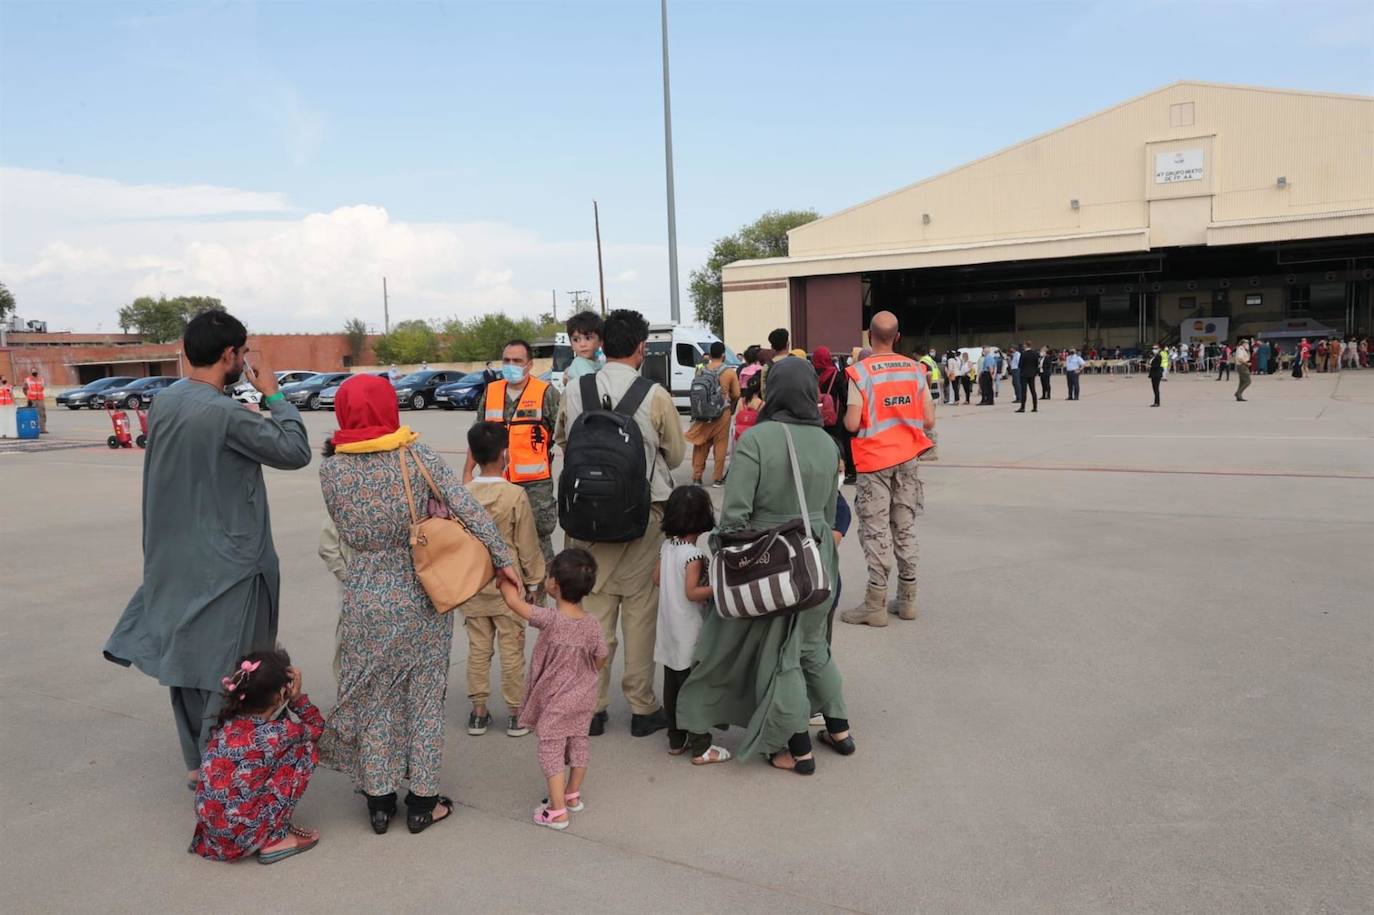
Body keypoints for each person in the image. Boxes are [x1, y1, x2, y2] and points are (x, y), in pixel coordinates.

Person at [104, 310, 312, 788]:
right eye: (241, 354)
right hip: (230, 566)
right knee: (238, 672)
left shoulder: (166, 402)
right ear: (229, 355)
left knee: (186, 665)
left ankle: (200, 766)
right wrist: (276, 396)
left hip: (172, 559)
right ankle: (232, 774)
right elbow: (294, 451)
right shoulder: (225, 414)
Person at [318, 374, 516, 836]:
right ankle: (424, 803)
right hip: (422, 591)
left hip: (365, 592)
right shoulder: (416, 456)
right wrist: (503, 560)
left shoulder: (331, 470)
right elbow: (468, 508)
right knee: (425, 698)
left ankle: (379, 801)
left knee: (374, 699)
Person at [677, 356, 852, 772]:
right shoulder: (828, 444)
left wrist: (720, 556)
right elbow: (828, 512)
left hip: (771, 561)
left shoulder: (758, 440)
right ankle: (840, 729)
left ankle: (795, 749)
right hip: (816, 559)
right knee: (811, 647)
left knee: (780, 657)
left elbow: (736, 514)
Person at [555, 309, 686, 738]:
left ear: (602, 344)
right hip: (642, 520)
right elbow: (677, 455)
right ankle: (642, 707)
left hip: (586, 521)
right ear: (642, 348)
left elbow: (562, 440)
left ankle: (592, 707)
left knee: (593, 613)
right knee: (640, 616)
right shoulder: (655, 394)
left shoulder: (576, 388)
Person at [497, 549, 608, 830]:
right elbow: (601, 656)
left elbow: (513, 602)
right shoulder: (592, 624)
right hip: (584, 697)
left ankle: (557, 811)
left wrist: (503, 577)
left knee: (551, 748)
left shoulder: (551, 619)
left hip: (557, 702)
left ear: (554, 584)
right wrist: (589, 672)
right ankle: (571, 795)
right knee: (579, 741)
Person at [841, 311, 935, 627]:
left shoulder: (860, 372)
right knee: (904, 526)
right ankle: (907, 600)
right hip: (907, 460)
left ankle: (876, 604)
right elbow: (929, 420)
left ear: (869, 336)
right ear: (897, 337)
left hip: (874, 462)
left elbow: (853, 423)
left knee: (876, 529)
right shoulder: (916, 369)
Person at [190, 650, 323, 864]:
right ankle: (274, 840)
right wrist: (297, 699)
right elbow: (317, 728)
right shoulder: (277, 733)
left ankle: (260, 829)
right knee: (305, 748)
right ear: (281, 694)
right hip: (241, 837)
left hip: (213, 834)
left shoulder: (229, 723)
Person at [461, 422, 546, 738]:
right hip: (508, 589)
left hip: (471, 587)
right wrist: (535, 581)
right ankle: (515, 713)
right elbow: (527, 544)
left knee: (478, 649)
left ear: (473, 455)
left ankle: (479, 712)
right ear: (505, 454)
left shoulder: (463, 495)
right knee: (512, 650)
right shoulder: (514, 495)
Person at [466, 339, 560, 567]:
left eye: (517, 360)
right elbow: (477, 435)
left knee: (537, 547)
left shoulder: (546, 393)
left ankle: (537, 598)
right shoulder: (491, 392)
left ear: (529, 364)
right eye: (506, 360)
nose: (511, 364)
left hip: (534, 488)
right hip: (495, 484)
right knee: (497, 543)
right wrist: (467, 472)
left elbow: (564, 435)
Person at [653, 485, 716, 758]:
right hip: (688, 629)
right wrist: (719, 588)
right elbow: (692, 593)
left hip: (668, 627)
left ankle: (676, 739)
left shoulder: (667, 547)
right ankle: (702, 745)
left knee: (672, 685)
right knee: (693, 688)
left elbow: (656, 579)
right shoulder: (693, 555)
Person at [685, 341, 740, 487]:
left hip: (703, 414)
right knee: (720, 445)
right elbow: (736, 394)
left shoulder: (701, 370)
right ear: (723, 355)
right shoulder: (729, 372)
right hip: (723, 413)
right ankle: (717, 478)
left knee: (701, 445)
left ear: (709, 355)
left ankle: (697, 477)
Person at [814, 345, 855, 481]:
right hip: (835, 415)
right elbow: (844, 396)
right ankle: (843, 470)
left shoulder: (813, 374)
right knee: (839, 442)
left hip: (818, 414)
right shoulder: (836, 375)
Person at [564, 310, 604, 381]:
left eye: (588, 338)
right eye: (576, 340)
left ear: (600, 341)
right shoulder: (579, 363)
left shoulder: (600, 362)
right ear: (571, 345)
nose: (582, 344)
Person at [760, 327, 791, 399]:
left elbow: (764, 393)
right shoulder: (800, 363)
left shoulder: (767, 367)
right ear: (788, 344)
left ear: (772, 347)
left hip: (775, 407)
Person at [1016, 342, 1039, 413]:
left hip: (1024, 374)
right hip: (1032, 374)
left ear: (1025, 346)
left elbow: (1020, 364)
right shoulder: (1035, 353)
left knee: (1024, 391)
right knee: (1033, 390)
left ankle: (1022, 407)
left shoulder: (1023, 354)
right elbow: (1036, 364)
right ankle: (1035, 407)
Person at [22, 369, 46, 434]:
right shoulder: (27, 380)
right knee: (32, 415)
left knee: (42, 414)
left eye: (35, 371)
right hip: (32, 400)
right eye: (33, 371)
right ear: (31, 373)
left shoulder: (41, 379)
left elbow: (42, 388)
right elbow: (24, 389)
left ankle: (43, 429)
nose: (34, 372)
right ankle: (33, 428)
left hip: (40, 399)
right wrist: (28, 396)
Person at [1233, 338, 1252, 402]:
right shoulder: (1240, 349)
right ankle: (1238, 393)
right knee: (1248, 381)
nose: (1247, 344)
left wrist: (1248, 350)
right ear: (1243, 343)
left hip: (1242, 366)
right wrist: (1247, 363)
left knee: (1242, 382)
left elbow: (1247, 357)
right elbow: (1240, 358)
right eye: (1246, 343)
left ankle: (1239, 396)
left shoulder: (1244, 349)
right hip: (1242, 366)